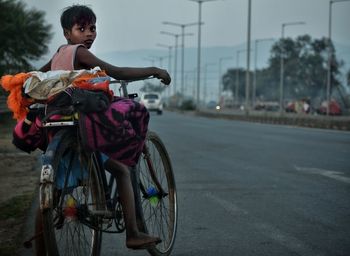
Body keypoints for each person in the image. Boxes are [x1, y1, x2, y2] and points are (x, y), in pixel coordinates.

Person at [32, 4, 171, 252]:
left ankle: (43, 246)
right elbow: (116, 71)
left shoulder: (58, 54)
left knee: (55, 190)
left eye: (93, 28)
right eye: (81, 28)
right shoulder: (80, 53)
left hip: (61, 121)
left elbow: (38, 77)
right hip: (84, 122)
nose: (89, 34)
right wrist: (153, 70)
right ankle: (133, 232)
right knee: (121, 168)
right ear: (67, 33)